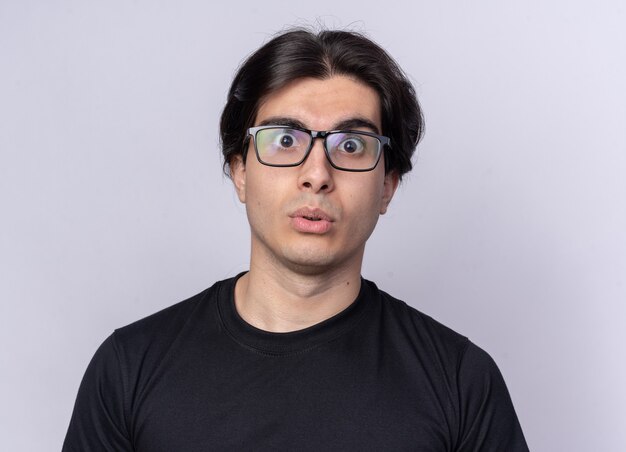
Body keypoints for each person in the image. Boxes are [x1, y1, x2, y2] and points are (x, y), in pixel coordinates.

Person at [63, 28, 529, 451]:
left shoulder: (460, 382)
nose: (316, 175)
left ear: (387, 185)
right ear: (240, 171)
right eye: (285, 139)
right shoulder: (129, 368)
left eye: (351, 146)